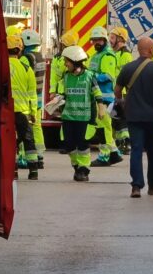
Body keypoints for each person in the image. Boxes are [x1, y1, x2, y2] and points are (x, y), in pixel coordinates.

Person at [115, 37, 153, 198]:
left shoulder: (127, 68)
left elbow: (117, 91)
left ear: (138, 50)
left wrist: (123, 102)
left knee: (136, 149)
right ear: (152, 50)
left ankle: (136, 186)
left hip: (134, 116)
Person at [60, 45, 102, 181]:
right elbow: (62, 94)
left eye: (67, 61)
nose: (65, 64)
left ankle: (84, 170)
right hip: (68, 117)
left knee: (83, 145)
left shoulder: (90, 76)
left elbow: (97, 93)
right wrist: (56, 101)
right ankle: (77, 166)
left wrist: (101, 108)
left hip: (84, 118)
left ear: (75, 61)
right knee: (69, 145)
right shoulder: (66, 76)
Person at [87, 26, 123, 167]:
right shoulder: (97, 55)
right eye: (93, 40)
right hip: (99, 97)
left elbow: (108, 76)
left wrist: (91, 76)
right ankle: (114, 153)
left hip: (105, 98)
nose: (95, 43)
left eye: (98, 40)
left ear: (104, 40)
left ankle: (104, 156)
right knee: (105, 126)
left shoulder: (107, 55)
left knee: (103, 127)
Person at [8, 34, 39, 180]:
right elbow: (32, 94)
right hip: (22, 111)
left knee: (9, 141)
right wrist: (33, 113)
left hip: (5, 111)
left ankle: (12, 171)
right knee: (28, 140)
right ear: (19, 50)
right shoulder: (26, 69)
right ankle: (33, 171)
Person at [50, 29, 80, 153]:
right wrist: (53, 91)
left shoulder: (80, 56)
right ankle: (67, 143)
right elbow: (54, 76)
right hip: (63, 92)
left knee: (76, 119)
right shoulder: (58, 58)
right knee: (66, 118)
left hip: (76, 92)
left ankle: (74, 143)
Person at [20, 28, 46, 168]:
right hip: (38, 98)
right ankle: (39, 155)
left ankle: (25, 157)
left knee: (26, 128)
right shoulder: (40, 56)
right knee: (37, 127)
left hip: (27, 99)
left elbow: (22, 77)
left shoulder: (27, 58)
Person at [110, 26, 133, 154]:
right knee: (116, 119)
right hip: (113, 92)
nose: (110, 41)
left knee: (122, 119)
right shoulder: (113, 54)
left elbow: (127, 76)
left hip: (122, 93)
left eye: (113, 38)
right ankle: (119, 143)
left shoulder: (126, 55)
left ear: (120, 39)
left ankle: (126, 143)